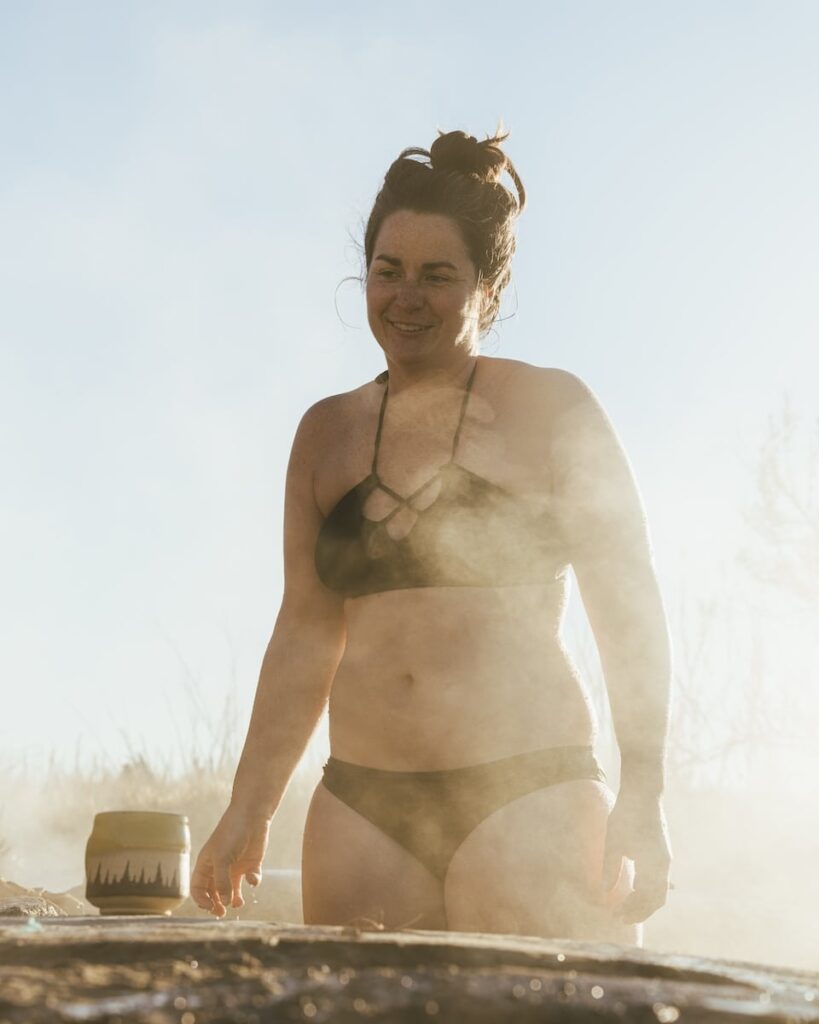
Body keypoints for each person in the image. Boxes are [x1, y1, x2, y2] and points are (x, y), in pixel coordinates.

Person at [191, 128, 672, 944]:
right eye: (387, 271)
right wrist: (250, 804)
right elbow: (306, 631)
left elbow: (626, 607)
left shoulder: (553, 411)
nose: (405, 296)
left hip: (528, 789)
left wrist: (645, 792)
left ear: (487, 288)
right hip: (364, 802)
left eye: (436, 276)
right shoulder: (326, 434)